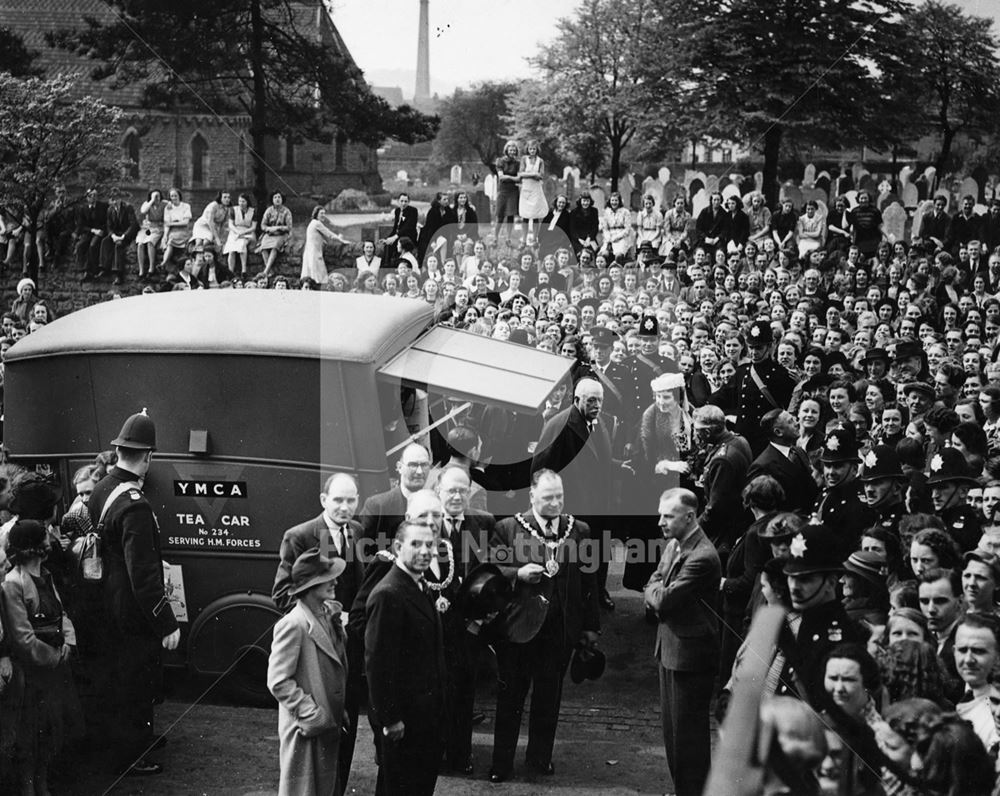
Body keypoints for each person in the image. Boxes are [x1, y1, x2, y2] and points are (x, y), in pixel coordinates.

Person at [486, 469, 600, 782]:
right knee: (511, 698)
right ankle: (502, 763)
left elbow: (589, 581)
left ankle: (539, 758)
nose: (554, 503)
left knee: (549, 697)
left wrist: (590, 627)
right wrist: (517, 575)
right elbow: (492, 569)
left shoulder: (579, 530)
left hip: (559, 630)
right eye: (548, 497)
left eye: (559, 497)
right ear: (532, 496)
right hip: (519, 629)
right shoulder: (508, 527)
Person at [87, 409, 180, 777]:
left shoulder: (103, 487)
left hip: (107, 598)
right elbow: (142, 575)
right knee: (136, 679)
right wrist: (167, 622)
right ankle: (132, 753)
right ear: (148, 456)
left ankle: (138, 738)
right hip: (131, 605)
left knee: (122, 674)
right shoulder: (135, 505)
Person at [272, 472, 366, 794]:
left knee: (345, 729)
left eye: (351, 500)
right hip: (315, 649)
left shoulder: (356, 532)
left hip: (346, 651)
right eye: (337, 499)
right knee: (313, 757)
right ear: (324, 500)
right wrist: (327, 615)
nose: (344, 506)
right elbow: (283, 593)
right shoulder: (299, 536)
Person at [643, 488, 719, 796]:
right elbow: (654, 580)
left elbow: (663, 601)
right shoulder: (676, 543)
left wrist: (655, 591)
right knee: (674, 735)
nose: (660, 521)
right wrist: (656, 589)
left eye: (668, 516)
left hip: (690, 656)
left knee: (688, 740)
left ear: (689, 517)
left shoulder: (701, 557)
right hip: (672, 649)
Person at [364, 520, 446, 796]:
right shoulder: (389, 593)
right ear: (398, 547)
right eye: (416, 544)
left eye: (430, 545)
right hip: (404, 722)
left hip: (424, 718)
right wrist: (390, 718)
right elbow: (378, 664)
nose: (425, 551)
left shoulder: (419, 586)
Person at [1, 519, 81, 796]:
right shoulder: (13, 584)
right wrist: (55, 657)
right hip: (34, 672)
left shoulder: (44, 575)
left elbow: (62, 615)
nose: (51, 538)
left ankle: (42, 781)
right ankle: (29, 786)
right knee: (30, 733)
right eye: (45, 537)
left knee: (50, 731)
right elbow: (22, 637)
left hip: (54, 665)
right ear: (35, 547)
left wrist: (69, 641)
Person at [267, 548, 349, 796]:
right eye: (328, 578)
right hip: (306, 728)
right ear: (310, 585)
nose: (335, 581)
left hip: (325, 722)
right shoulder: (293, 624)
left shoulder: (326, 614)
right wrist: (312, 714)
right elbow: (279, 681)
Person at [531, 378, 617, 611]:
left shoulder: (599, 422)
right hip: (575, 504)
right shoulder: (560, 425)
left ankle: (598, 591)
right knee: (577, 557)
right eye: (591, 400)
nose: (597, 405)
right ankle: (580, 599)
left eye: (600, 400)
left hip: (600, 502)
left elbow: (599, 458)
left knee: (599, 551)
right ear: (577, 400)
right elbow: (540, 468)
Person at [693, 404, 752, 554]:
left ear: (707, 432)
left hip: (725, 531)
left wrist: (694, 530)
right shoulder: (739, 440)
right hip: (738, 522)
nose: (696, 434)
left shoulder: (722, 460)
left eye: (697, 431)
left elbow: (716, 508)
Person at [734, 320, 796, 456]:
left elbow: (790, 409)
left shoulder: (781, 375)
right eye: (751, 347)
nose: (753, 352)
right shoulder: (741, 372)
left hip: (766, 441)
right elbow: (724, 398)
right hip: (742, 439)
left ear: (770, 346)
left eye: (759, 348)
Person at [812, 426, 875, 555]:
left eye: (838, 466)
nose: (831, 472)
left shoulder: (860, 505)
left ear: (854, 469)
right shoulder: (824, 495)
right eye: (828, 466)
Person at [746, 408, 819, 515]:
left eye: (794, 419)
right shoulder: (762, 466)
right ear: (778, 432)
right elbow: (761, 507)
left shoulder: (798, 452)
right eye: (790, 422)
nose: (797, 423)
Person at [358, 443, 431, 548]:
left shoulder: (436, 505)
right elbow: (361, 552)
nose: (419, 472)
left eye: (424, 465)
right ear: (399, 467)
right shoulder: (377, 506)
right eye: (413, 465)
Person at [952, 612, 1000, 755]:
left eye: (978, 651)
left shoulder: (995, 713)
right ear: (954, 651)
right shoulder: (954, 692)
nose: (968, 659)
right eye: (962, 650)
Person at [301, 206, 348, 285]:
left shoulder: (312, 223)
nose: (323, 215)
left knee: (312, 276)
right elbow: (329, 234)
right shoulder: (317, 223)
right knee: (318, 277)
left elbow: (316, 236)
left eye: (324, 213)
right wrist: (340, 239)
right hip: (314, 254)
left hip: (311, 252)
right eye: (321, 213)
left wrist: (323, 240)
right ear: (316, 214)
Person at [100, 191, 138, 285]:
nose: (112, 201)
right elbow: (109, 226)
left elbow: (133, 225)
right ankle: (104, 268)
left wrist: (123, 237)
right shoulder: (110, 209)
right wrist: (113, 235)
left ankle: (118, 274)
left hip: (127, 233)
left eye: (114, 199)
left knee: (119, 246)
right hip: (116, 233)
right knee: (105, 241)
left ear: (119, 199)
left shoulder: (128, 207)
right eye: (111, 199)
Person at [258, 192, 293, 277]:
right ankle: (270, 270)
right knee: (263, 247)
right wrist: (269, 229)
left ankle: (265, 272)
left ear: (282, 199)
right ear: (272, 200)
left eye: (279, 197)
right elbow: (263, 225)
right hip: (270, 234)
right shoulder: (269, 210)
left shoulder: (286, 211)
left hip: (281, 234)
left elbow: (289, 227)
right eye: (275, 197)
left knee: (275, 246)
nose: (277, 199)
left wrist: (279, 228)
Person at [222, 193, 256, 278]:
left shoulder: (253, 211)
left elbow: (253, 227)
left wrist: (244, 232)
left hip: (247, 231)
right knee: (231, 249)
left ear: (247, 202)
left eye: (243, 201)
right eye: (240, 201)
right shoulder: (233, 210)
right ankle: (231, 272)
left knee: (242, 245)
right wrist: (237, 231)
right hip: (235, 231)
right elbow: (231, 225)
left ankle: (243, 270)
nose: (241, 203)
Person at [517, 141, 548, 232]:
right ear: (528, 149)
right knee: (525, 215)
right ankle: (524, 240)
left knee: (535, 215)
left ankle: (534, 239)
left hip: (536, 189)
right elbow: (521, 173)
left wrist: (531, 175)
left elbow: (541, 175)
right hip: (526, 189)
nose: (532, 151)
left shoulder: (540, 161)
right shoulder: (524, 159)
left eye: (534, 149)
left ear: (537, 150)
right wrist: (534, 175)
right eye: (530, 149)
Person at [135, 190, 165, 280]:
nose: (156, 198)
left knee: (150, 242)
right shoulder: (147, 204)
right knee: (140, 243)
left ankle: (151, 268)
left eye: (158, 196)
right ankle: (141, 270)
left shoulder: (164, 204)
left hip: (158, 228)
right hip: (147, 228)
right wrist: (152, 200)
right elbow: (143, 211)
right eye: (154, 196)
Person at [494, 142, 521, 243]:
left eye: (514, 150)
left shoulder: (518, 163)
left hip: (513, 191)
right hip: (503, 190)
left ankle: (508, 238)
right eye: (510, 150)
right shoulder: (500, 161)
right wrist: (512, 177)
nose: (512, 152)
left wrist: (508, 177)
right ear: (507, 150)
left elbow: (519, 178)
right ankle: (495, 237)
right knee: (500, 216)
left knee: (511, 216)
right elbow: (501, 177)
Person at [159, 187, 192, 271]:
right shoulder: (168, 208)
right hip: (172, 231)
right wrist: (165, 235)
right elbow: (166, 224)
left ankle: (163, 263)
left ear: (179, 196)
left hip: (183, 231)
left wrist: (172, 223)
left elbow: (185, 222)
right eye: (172, 196)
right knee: (168, 241)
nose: (174, 198)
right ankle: (163, 263)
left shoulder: (186, 206)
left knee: (172, 240)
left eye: (175, 195)